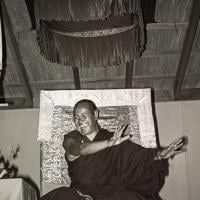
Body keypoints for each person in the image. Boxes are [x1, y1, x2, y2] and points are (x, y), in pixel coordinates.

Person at [41, 99, 186, 200]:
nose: (80, 121)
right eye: (76, 117)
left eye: (84, 115)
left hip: (112, 194)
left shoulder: (115, 141)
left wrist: (160, 155)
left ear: (95, 115)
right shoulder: (72, 138)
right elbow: (79, 149)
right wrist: (108, 144)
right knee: (60, 196)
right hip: (80, 195)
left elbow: (139, 158)